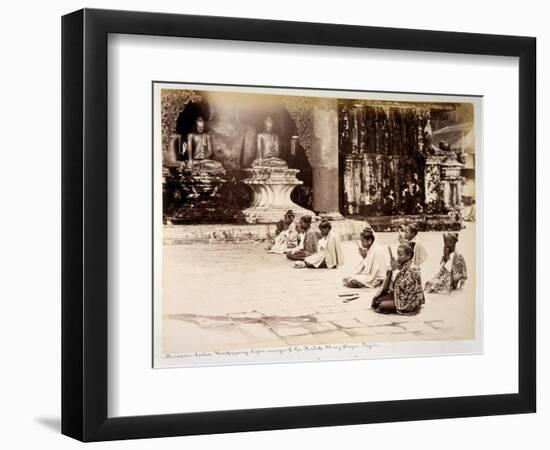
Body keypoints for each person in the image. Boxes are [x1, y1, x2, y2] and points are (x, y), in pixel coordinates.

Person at [371, 243, 425, 315]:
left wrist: (395, 270)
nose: (398, 257)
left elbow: (404, 286)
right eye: (397, 254)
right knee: (377, 301)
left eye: (400, 255)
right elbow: (392, 284)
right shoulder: (401, 265)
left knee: (382, 306)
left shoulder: (414, 269)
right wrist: (391, 270)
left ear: (408, 256)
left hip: (408, 300)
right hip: (398, 295)